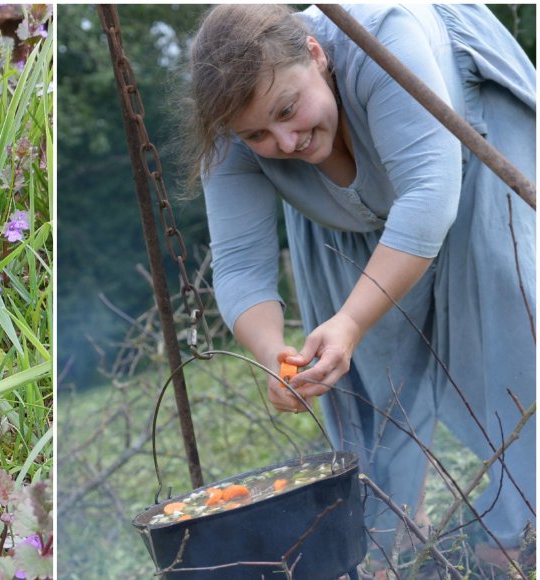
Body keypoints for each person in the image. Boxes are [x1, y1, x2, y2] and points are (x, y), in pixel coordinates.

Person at [187, 3, 535, 569]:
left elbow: (428, 196)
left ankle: (514, 528)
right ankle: (397, 528)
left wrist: (348, 321)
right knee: (368, 363)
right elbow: (239, 266)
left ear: (317, 55)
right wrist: (274, 353)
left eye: (288, 109)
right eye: (258, 134)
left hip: (466, 139)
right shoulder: (231, 128)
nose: (286, 140)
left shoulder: (384, 40)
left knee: (505, 304)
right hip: (346, 211)